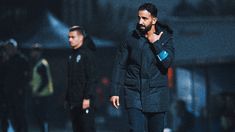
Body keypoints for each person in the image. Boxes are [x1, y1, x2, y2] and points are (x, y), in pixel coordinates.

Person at [110, 3, 174, 132]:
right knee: (136, 129)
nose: (140, 22)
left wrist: (155, 43)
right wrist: (114, 91)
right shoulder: (130, 39)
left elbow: (167, 63)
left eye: (145, 18)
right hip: (134, 94)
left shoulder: (165, 38)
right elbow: (120, 65)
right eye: (139, 18)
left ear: (154, 20)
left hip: (157, 96)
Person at [65, 26, 97, 132]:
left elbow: (92, 78)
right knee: (77, 128)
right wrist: (67, 98)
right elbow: (70, 79)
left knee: (87, 128)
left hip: (85, 100)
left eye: (73, 37)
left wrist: (87, 97)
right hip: (73, 101)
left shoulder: (87, 54)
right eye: (69, 37)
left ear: (81, 38)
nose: (70, 40)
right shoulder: (71, 56)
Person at [3, 39, 30, 132]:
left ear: (15, 48)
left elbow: (27, 77)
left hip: (19, 93)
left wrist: (21, 88)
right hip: (8, 93)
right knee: (11, 115)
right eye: (7, 49)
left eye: (10, 48)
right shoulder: (6, 61)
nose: (8, 50)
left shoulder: (22, 60)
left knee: (20, 115)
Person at [29, 43, 54, 132]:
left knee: (42, 117)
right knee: (40, 117)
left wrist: (37, 91)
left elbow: (45, 80)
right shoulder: (40, 63)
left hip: (43, 95)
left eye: (33, 51)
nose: (31, 53)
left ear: (38, 52)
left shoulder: (41, 64)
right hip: (41, 94)